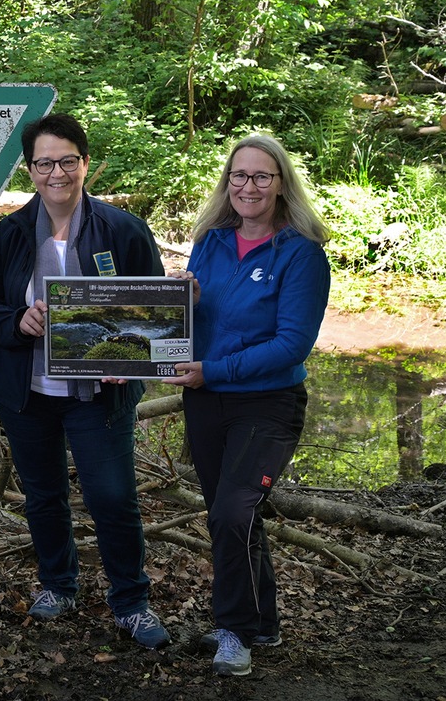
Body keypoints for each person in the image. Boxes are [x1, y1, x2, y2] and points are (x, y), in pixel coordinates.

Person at [0, 112, 171, 649]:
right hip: (27, 390)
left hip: (99, 393)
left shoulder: (122, 230)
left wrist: (126, 356)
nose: (55, 173)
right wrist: (17, 320)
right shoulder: (9, 234)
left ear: (84, 164)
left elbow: (154, 310)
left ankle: (131, 601)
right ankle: (59, 585)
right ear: (29, 170)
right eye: (43, 163)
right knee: (43, 496)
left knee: (112, 496)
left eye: (66, 161)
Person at [164, 134, 331, 676]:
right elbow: (198, 319)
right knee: (234, 519)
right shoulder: (211, 241)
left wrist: (214, 369)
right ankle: (263, 622)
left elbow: (292, 345)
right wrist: (181, 305)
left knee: (233, 512)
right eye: (239, 176)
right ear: (227, 182)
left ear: (281, 184)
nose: (248, 186)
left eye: (261, 176)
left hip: (268, 405)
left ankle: (233, 630)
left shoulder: (302, 254)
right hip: (206, 402)